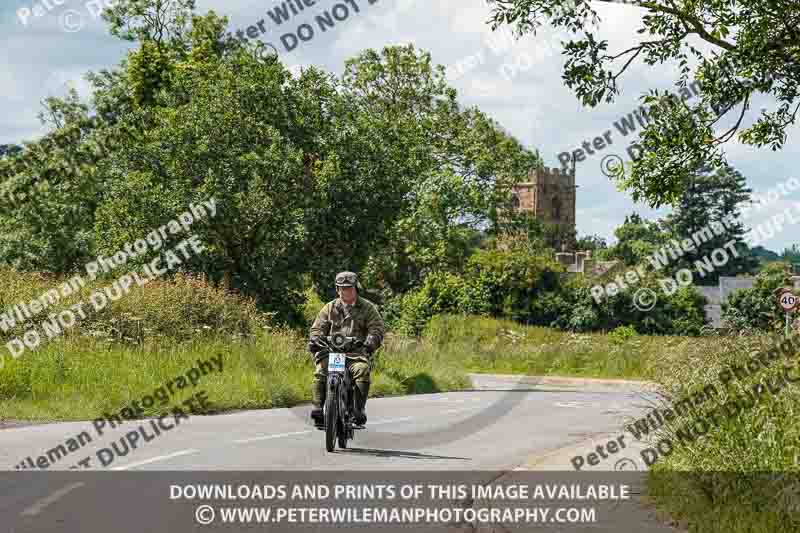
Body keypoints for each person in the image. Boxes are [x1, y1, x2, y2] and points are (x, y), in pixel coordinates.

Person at [307, 271, 385, 426]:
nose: (346, 291)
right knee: (321, 370)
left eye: (349, 288)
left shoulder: (367, 307)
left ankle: (358, 409)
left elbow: (376, 328)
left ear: (356, 288)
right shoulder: (329, 307)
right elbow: (317, 328)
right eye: (342, 288)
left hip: (355, 354)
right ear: (337, 289)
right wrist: (316, 338)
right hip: (331, 352)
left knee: (362, 370)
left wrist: (370, 342)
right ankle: (317, 408)